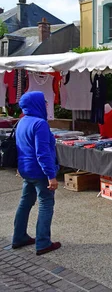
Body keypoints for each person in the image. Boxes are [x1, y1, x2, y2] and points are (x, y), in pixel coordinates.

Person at [12, 91, 61, 256]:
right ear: (37, 104)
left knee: (25, 203)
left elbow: (20, 148)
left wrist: (20, 167)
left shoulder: (22, 122)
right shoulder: (40, 124)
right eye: (44, 102)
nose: (47, 105)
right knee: (46, 204)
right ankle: (43, 242)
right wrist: (51, 176)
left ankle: (19, 237)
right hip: (40, 172)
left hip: (27, 170)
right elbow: (42, 153)